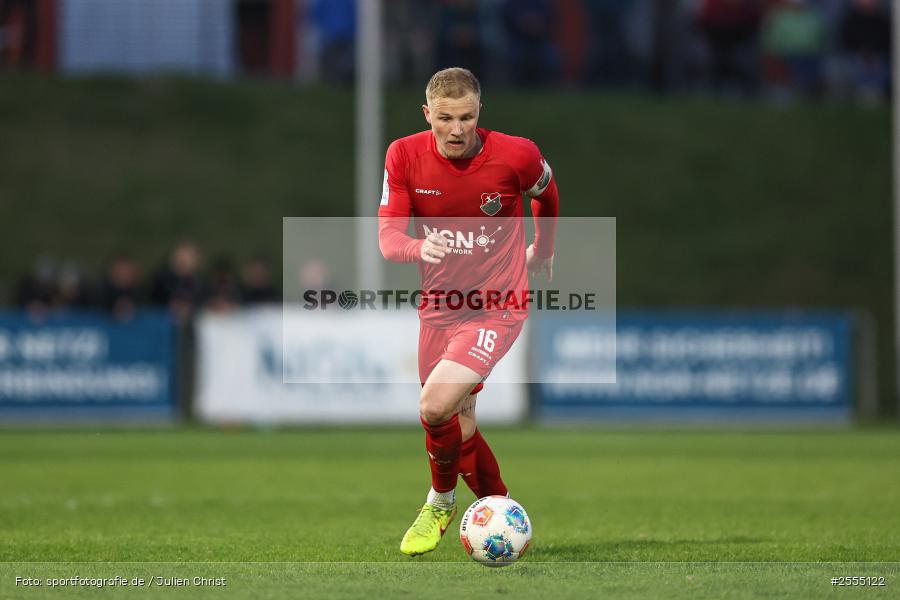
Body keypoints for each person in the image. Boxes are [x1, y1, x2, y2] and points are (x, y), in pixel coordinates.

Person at [378, 67, 559, 556]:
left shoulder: (516, 153)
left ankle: (439, 501)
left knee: (434, 406)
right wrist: (418, 249)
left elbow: (547, 192)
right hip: (438, 310)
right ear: (427, 115)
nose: (456, 129)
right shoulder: (403, 155)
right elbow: (388, 237)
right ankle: (502, 510)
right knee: (458, 423)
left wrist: (542, 249)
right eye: (444, 118)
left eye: (466, 117)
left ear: (480, 112)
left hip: (496, 307)